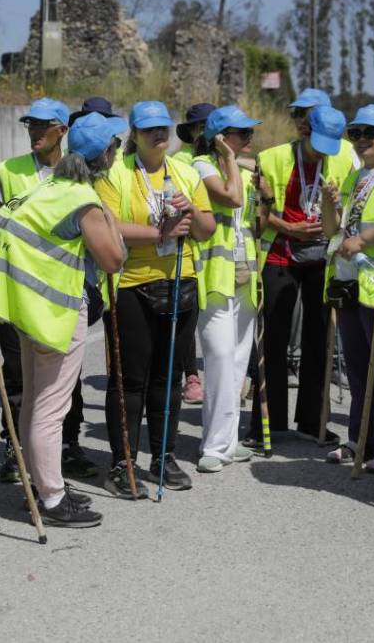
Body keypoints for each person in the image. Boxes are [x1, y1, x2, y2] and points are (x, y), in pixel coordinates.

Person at [0, 112, 126, 526]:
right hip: (58, 312)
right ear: (104, 155)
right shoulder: (82, 200)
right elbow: (113, 259)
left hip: (26, 310)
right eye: (115, 149)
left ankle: (42, 485)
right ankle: (50, 498)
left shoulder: (46, 187)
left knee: (35, 403)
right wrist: (109, 219)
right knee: (51, 408)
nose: (117, 155)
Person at [97, 100, 216, 495]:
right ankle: (122, 463)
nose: (159, 135)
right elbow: (109, 225)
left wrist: (190, 213)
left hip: (180, 280)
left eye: (163, 127)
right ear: (135, 132)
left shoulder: (184, 171)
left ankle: (163, 456)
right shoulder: (115, 172)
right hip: (131, 283)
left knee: (168, 378)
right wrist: (162, 233)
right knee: (130, 380)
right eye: (149, 129)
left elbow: (206, 229)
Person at [253, 90, 357, 445]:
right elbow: (260, 213)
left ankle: (314, 421)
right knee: (274, 340)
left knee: (319, 341)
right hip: (281, 255)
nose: (322, 152)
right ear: (303, 130)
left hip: (322, 259)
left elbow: (351, 211)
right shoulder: (272, 158)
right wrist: (289, 228)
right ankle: (269, 423)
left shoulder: (345, 160)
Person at [319, 105, 374, 473]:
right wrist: (329, 204)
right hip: (350, 282)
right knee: (356, 367)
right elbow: (332, 231)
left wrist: (363, 240)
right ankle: (362, 439)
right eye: (355, 133)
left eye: (370, 133)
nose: (361, 140)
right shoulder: (358, 177)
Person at [190, 105, 260, 473]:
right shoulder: (202, 167)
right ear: (219, 138)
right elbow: (230, 197)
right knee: (217, 359)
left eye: (250, 134)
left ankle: (228, 441)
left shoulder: (240, 171)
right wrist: (231, 159)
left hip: (245, 280)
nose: (249, 139)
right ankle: (214, 446)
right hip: (215, 278)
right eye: (241, 134)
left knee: (235, 364)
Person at [175, 102, 218, 406]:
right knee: (187, 319)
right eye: (198, 126)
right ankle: (191, 375)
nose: (203, 131)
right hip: (191, 245)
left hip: (220, 251)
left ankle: (251, 376)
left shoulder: (223, 158)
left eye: (208, 125)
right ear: (190, 131)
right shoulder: (181, 159)